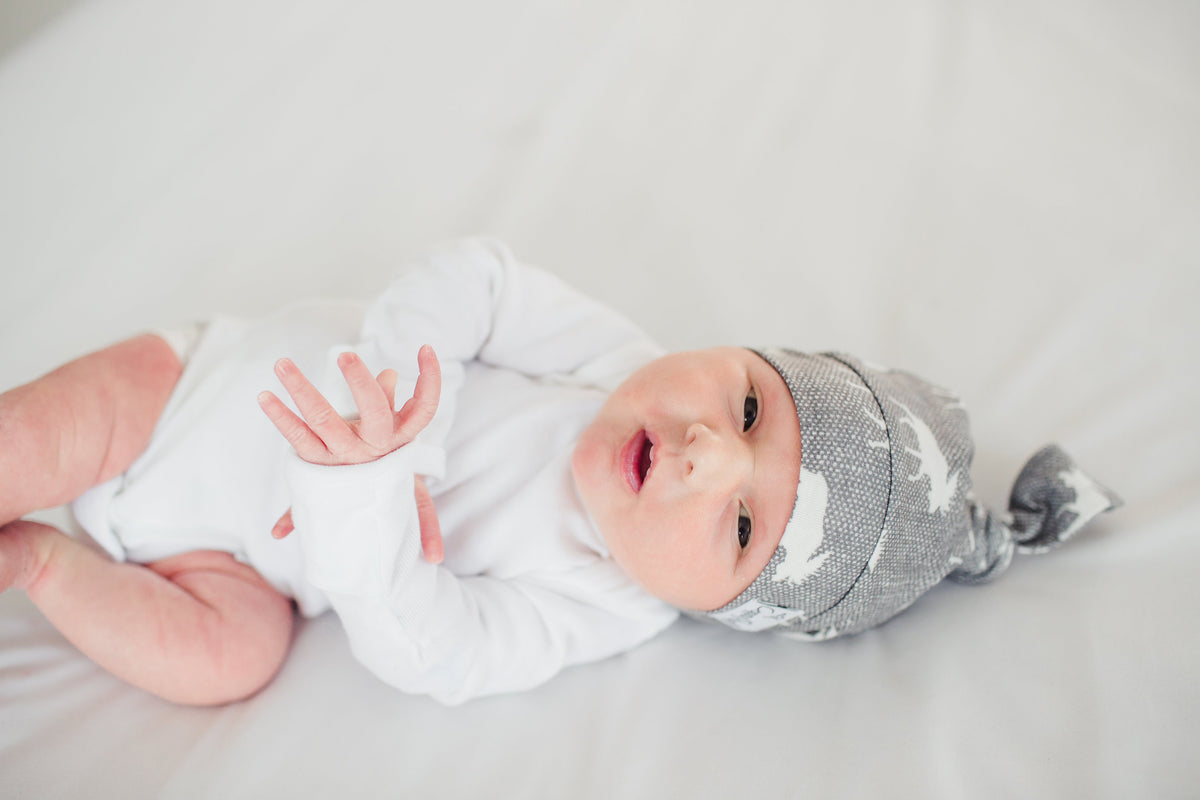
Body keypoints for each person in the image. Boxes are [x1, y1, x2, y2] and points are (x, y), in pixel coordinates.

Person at [0, 239, 1121, 706]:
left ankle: (41, 564)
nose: (704, 451)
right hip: (198, 393)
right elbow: (474, 276)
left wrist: (364, 501)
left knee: (231, 657)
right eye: (746, 406)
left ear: (723, 606)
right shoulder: (611, 365)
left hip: (236, 562)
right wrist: (401, 430)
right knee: (39, 438)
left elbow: (431, 651)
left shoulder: (606, 605)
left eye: (740, 525)